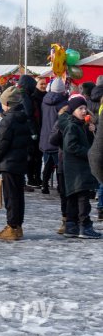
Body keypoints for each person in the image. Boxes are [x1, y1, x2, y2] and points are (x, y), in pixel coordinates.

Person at [0, 87, 31, 241]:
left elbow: (1, 144)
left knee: (11, 196)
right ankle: (17, 225)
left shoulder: (8, 119)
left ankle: (12, 227)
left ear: (7, 103)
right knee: (18, 196)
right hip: (19, 161)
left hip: (8, 162)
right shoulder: (23, 116)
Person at [58, 96, 100, 238]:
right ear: (72, 111)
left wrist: (91, 131)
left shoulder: (81, 125)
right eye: (80, 108)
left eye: (84, 108)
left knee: (74, 197)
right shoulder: (72, 126)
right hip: (76, 168)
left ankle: (71, 226)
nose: (83, 111)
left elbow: (89, 142)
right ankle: (84, 225)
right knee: (82, 197)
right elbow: (71, 146)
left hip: (76, 167)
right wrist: (88, 153)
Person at [39, 78, 68, 196]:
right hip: (57, 136)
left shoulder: (44, 101)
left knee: (48, 163)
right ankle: (61, 187)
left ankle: (44, 185)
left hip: (45, 135)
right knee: (60, 165)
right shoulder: (64, 103)